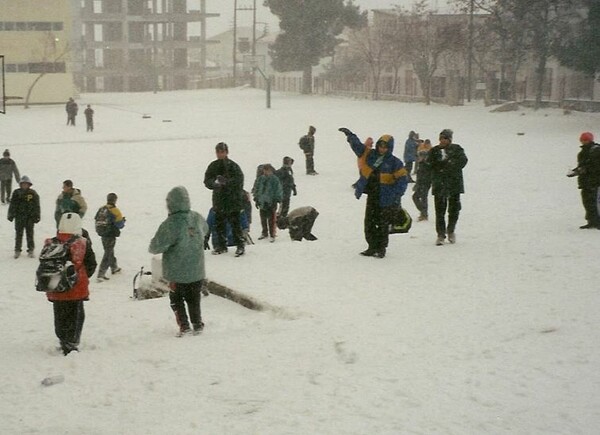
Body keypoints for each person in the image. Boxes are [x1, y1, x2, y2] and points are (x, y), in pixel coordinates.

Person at [339, 127, 408, 258]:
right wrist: (350, 135)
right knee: (369, 222)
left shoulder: (395, 162)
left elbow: (402, 180)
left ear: (390, 148)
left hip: (386, 198)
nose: (382, 149)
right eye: (380, 146)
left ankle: (381, 248)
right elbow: (358, 147)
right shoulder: (370, 155)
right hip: (373, 195)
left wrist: (396, 194)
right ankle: (371, 246)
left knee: (382, 224)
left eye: (385, 147)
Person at [149, 186, 209, 336]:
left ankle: (184, 326)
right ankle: (197, 324)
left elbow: (155, 247)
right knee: (194, 299)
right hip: (196, 269)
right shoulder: (196, 217)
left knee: (176, 299)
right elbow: (206, 229)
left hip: (177, 272)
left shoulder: (171, 223)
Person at [44, 212, 96, 355]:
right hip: (76, 289)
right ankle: (71, 344)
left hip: (56, 288)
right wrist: (81, 276)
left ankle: (63, 339)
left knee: (60, 315)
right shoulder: (82, 243)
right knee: (76, 316)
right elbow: (91, 264)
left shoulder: (52, 243)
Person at [426, 129, 468, 245]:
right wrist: (437, 165)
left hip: (454, 184)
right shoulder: (434, 151)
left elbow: (463, 161)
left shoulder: (457, 149)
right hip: (439, 184)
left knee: (454, 210)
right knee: (440, 211)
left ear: (449, 139)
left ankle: (451, 231)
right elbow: (428, 163)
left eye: (445, 138)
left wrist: (450, 163)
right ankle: (440, 234)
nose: (442, 141)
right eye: (441, 138)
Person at [203, 142, 246, 257]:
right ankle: (221, 246)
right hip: (219, 201)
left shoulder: (233, 166)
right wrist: (215, 183)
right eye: (218, 152)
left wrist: (226, 183)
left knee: (235, 224)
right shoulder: (213, 166)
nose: (220, 154)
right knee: (219, 225)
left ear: (226, 152)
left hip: (233, 200)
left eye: (222, 151)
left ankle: (240, 245)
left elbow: (239, 181)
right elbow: (207, 181)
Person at [567, 131, 600, 229]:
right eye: (582, 140)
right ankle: (591, 221)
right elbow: (582, 166)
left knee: (596, 203)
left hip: (596, 182)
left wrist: (585, 170)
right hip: (585, 182)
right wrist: (576, 171)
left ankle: (598, 222)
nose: (584, 141)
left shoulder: (596, 151)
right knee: (587, 202)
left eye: (586, 140)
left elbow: (596, 167)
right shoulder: (582, 152)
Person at [95, 193, 126, 281]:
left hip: (102, 232)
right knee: (108, 252)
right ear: (115, 200)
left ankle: (114, 267)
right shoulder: (115, 211)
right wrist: (123, 221)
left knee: (108, 249)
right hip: (110, 234)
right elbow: (120, 225)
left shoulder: (101, 209)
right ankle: (101, 274)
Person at [8, 175, 40, 258]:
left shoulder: (33, 193)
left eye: (26, 184)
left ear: (29, 185)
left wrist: (37, 215)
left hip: (30, 217)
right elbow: (13, 204)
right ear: (20, 184)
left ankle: (31, 250)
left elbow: (37, 205)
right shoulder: (16, 193)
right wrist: (11, 214)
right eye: (23, 184)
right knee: (19, 234)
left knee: (30, 234)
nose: (24, 185)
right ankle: (17, 250)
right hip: (19, 217)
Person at [253, 163, 283, 242]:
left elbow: (278, 190)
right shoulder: (260, 179)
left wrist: (277, 199)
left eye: (267, 170)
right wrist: (256, 199)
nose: (266, 172)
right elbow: (256, 189)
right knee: (263, 218)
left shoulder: (275, 179)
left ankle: (272, 234)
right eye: (265, 170)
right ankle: (264, 232)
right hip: (262, 202)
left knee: (271, 219)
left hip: (271, 201)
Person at [412, 139, 433, 221]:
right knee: (416, 197)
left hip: (425, 183)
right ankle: (423, 212)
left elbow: (427, 175)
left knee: (422, 197)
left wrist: (423, 183)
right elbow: (419, 176)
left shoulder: (426, 165)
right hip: (421, 184)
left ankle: (424, 213)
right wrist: (417, 184)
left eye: (420, 157)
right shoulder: (421, 164)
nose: (418, 158)